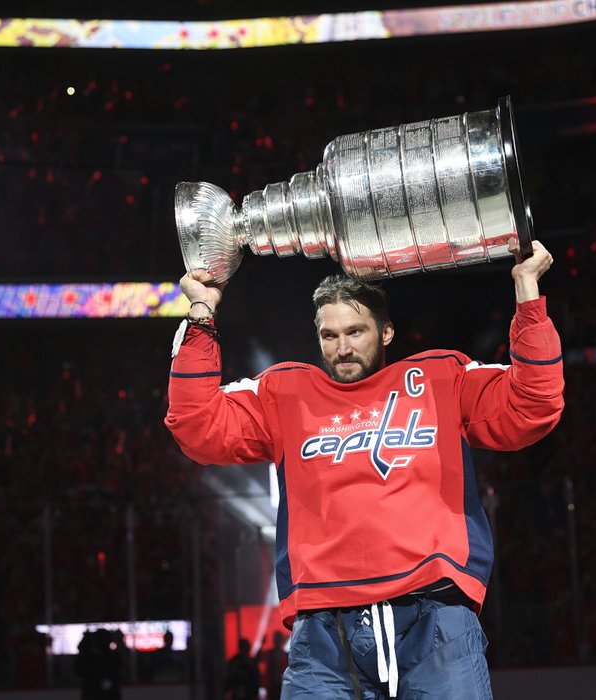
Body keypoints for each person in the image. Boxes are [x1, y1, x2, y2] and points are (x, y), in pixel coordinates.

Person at [166, 238, 564, 699]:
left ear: (386, 331)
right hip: (324, 635)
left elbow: (534, 405)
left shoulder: (441, 377)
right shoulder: (284, 392)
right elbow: (195, 426)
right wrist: (201, 313)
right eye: (330, 336)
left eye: (356, 332)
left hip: (435, 620)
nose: (342, 348)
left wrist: (528, 295)